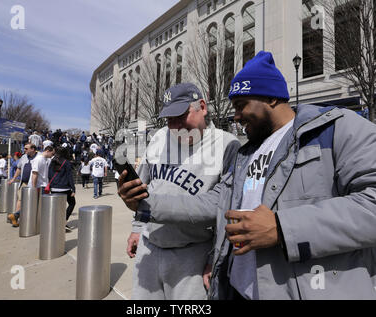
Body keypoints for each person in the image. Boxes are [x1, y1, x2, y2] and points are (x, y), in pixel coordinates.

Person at [119, 51, 376, 300]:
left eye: (241, 105)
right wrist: (144, 205)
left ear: (272, 98)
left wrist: (282, 228)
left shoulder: (338, 128)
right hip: (238, 289)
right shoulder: (246, 154)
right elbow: (212, 203)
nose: (236, 116)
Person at [117, 83, 239, 300]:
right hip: (149, 247)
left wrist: (215, 258)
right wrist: (137, 228)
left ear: (202, 107)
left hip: (193, 256)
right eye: (169, 119)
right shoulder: (159, 137)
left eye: (181, 115)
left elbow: (226, 210)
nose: (174, 125)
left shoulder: (227, 144)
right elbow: (143, 184)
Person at [8, 143, 38, 227]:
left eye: (26, 149)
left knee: (33, 202)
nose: (24, 150)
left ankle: (22, 217)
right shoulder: (23, 157)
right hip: (24, 182)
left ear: (32, 149)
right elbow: (19, 168)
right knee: (20, 199)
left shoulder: (39, 156)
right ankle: (16, 218)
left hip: (35, 183)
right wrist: (13, 179)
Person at [48, 147, 76, 232]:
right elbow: (69, 176)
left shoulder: (52, 161)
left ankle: (56, 223)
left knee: (57, 207)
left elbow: (49, 174)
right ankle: (63, 221)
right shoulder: (66, 162)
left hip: (54, 187)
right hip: (64, 188)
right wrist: (73, 189)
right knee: (72, 203)